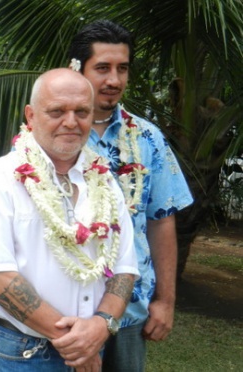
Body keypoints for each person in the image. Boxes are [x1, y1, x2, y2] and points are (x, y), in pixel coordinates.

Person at [0, 68, 140, 371]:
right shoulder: (0, 178)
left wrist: (101, 326)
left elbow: (124, 268)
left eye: (82, 111)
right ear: (30, 116)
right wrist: (77, 343)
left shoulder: (105, 181)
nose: (71, 121)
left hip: (94, 343)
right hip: (22, 353)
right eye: (57, 111)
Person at [67, 20, 194, 371]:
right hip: (62, 312)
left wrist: (165, 301)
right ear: (76, 69)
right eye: (103, 68)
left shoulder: (148, 138)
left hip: (130, 310)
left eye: (122, 69)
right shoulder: (49, 136)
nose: (114, 80)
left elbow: (161, 219)